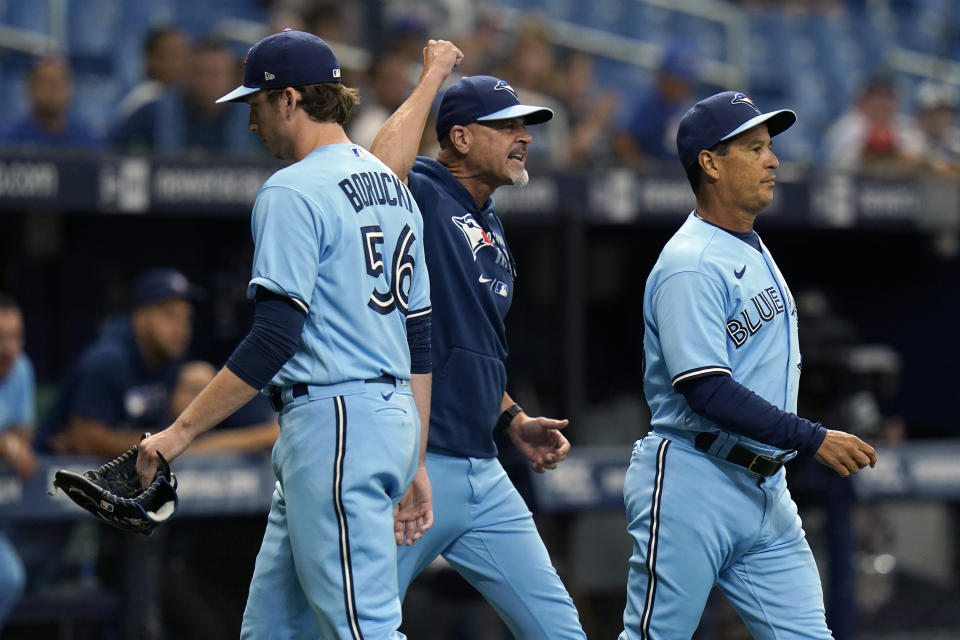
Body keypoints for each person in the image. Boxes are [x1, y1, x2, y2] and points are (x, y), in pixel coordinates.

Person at [134, 30, 432, 640]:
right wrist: (415, 452)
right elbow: (420, 336)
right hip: (383, 414)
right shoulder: (394, 188)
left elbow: (274, 338)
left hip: (337, 424)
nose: (251, 123)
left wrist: (178, 432)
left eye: (256, 105)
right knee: (272, 630)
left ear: (291, 99)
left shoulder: (292, 189)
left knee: (364, 629)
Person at [620, 90, 879, 639]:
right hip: (695, 476)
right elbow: (707, 390)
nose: (773, 159)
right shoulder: (690, 263)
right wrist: (812, 437)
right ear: (710, 163)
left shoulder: (750, 246)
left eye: (770, 147)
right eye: (754, 147)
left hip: (765, 487)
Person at [370, 41, 586, 639]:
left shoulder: (489, 219)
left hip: (485, 472)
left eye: (528, 126)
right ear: (460, 138)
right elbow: (374, 172)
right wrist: (434, 76)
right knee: (352, 624)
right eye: (507, 126)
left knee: (559, 630)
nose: (525, 136)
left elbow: (469, 347)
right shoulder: (427, 192)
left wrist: (513, 416)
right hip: (418, 467)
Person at [36, 267, 276, 456]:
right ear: (140, 319)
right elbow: (86, 440)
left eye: (186, 319)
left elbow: (180, 437)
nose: (181, 328)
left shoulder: (169, 362)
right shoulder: (108, 360)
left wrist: (168, 437)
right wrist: (164, 441)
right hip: (52, 480)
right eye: (169, 316)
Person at [110, 38, 256, 156]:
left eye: (215, 74)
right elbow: (112, 150)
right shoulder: (155, 112)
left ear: (233, 79)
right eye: (200, 73)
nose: (207, 82)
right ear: (187, 75)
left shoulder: (256, 117)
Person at [0, 294, 35, 632]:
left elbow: (23, 437)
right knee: (8, 577)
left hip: (9, 511)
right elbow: (11, 443)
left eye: (15, 336)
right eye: (0, 338)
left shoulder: (21, 368)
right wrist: (5, 444)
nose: (8, 348)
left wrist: (12, 444)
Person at [613, 40, 699, 170]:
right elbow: (624, 143)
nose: (679, 87)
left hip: (679, 179)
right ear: (664, 78)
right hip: (653, 180)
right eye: (675, 81)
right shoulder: (649, 107)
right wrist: (645, 169)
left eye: (683, 83)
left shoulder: (690, 110)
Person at [822, 73, 925, 175]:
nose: (884, 103)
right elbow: (847, 161)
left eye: (889, 96)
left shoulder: (906, 126)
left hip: (900, 189)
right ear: (863, 99)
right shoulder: (846, 126)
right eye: (878, 96)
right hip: (851, 188)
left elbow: (919, 159)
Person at [0, 56, 101, 150]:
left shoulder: (86, 141)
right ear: (30, 89)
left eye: (57, 83)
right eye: (44, 82)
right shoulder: (9, 142)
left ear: (70, 89)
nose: (52, 91)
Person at [115, 25, 191, 122]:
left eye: (183, 55)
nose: (180, 63)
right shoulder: (142, 103)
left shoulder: (186, 100)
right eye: (171, 55)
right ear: (150, 60)